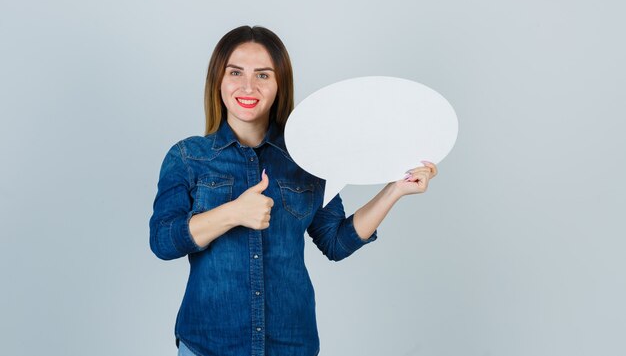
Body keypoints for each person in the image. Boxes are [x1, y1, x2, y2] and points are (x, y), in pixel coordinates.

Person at [149, 25, 438, 356]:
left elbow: (336, 242)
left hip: (290, 345)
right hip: (208, 346)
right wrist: (233, 213)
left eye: (263, 75)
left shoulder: (307, 159)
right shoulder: (188, 157)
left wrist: (394, 190)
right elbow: (163, 241)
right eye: (235, 72)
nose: (248, 86)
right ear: (218, 79)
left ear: (278, 85)